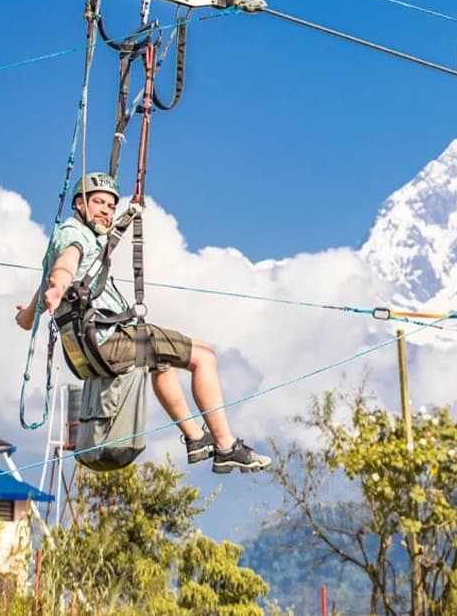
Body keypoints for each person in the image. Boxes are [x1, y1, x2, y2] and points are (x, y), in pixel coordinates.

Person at [15, 173, 271, 474]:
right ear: (79, 204)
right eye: (99, 203)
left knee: (160, 362)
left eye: (111, 206)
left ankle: (195, 439)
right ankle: (227, 447)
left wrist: (29, 313)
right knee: (204, 356)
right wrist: (59, 284)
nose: (106, 211)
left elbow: (42, 293)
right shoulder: (75, 236)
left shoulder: (67, 237)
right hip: (108, 339)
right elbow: (67, 263)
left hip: (92, 346)